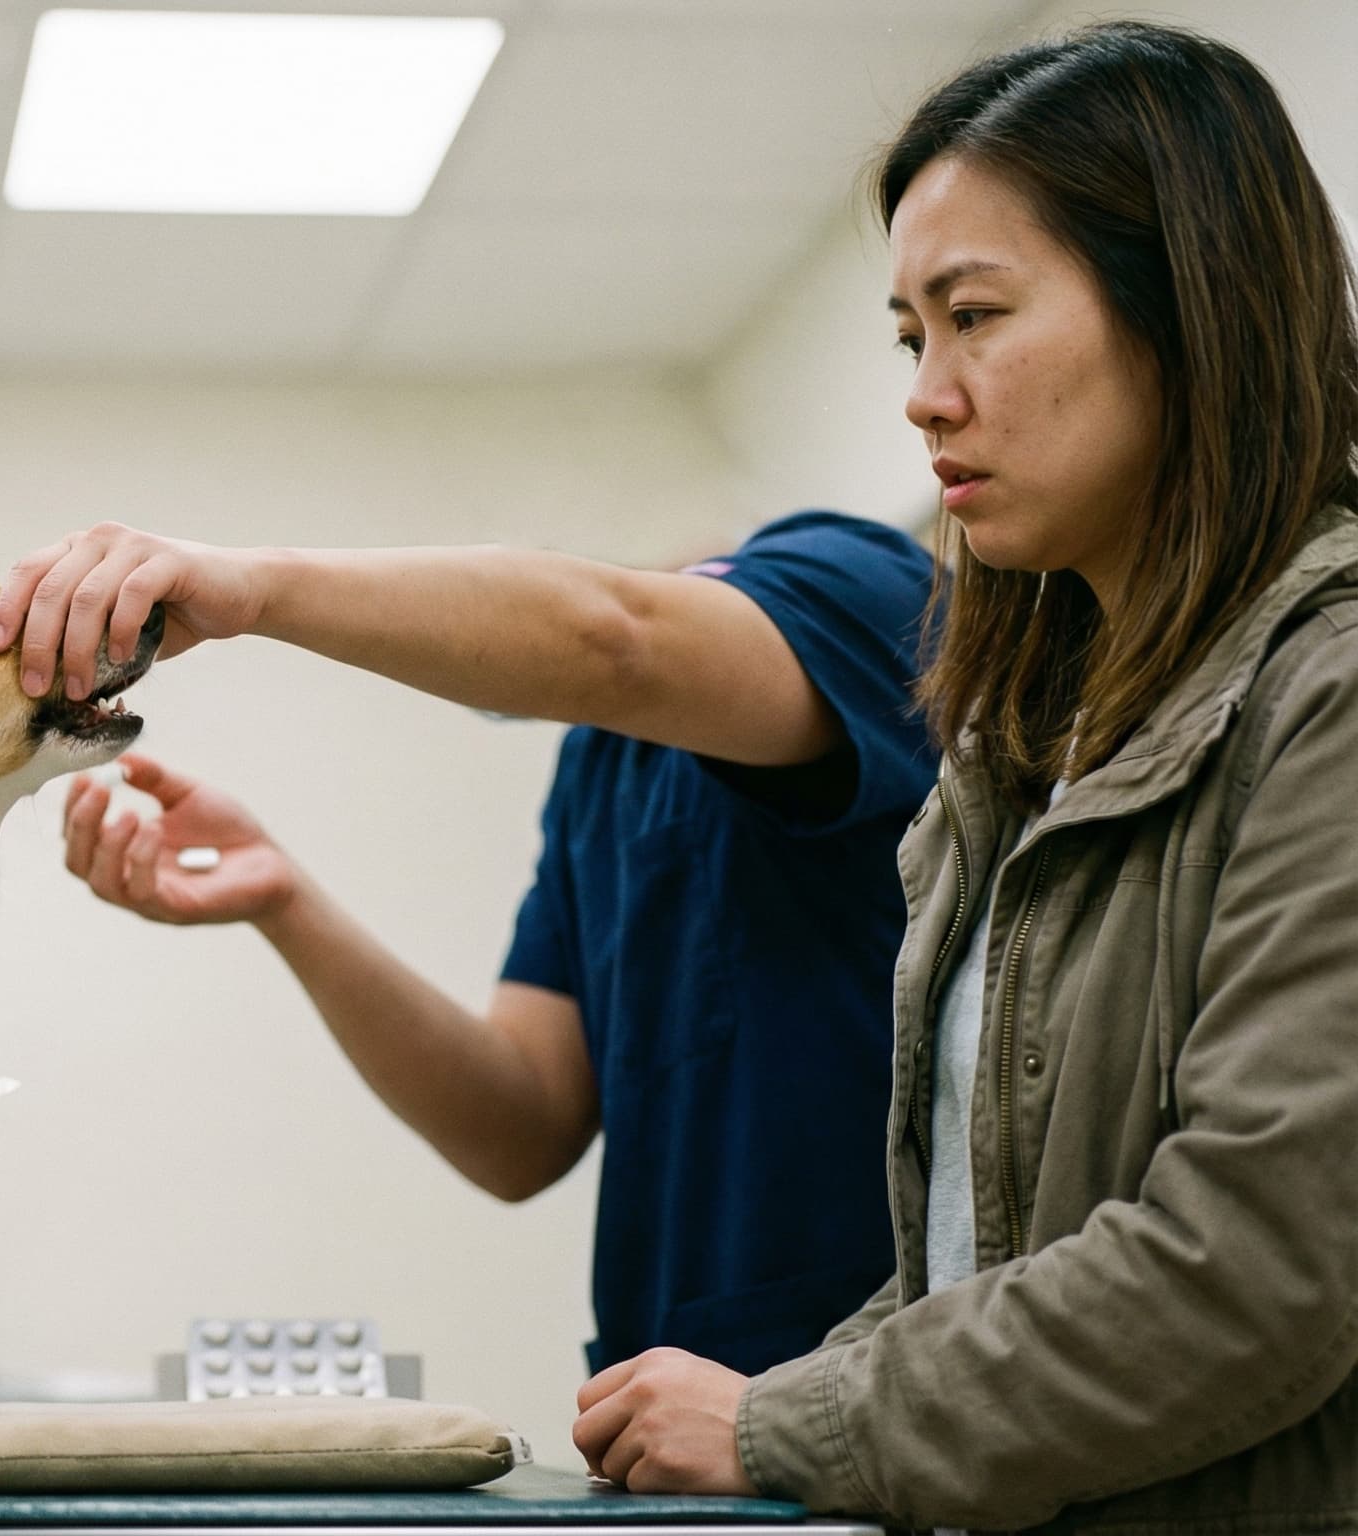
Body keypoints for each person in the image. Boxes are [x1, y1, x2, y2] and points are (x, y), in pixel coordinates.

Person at [571, 23, 1358, 1531]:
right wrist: (794, 1395)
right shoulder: (1020, 753)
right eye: (909, 338)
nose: (928, 395)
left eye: (976, 317)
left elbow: (1256, 1270)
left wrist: (789, 1417)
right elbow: (984, 1253)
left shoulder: (1327, 692)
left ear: (1187, 308)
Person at [0, 498, 935, 1379]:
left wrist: (251, 586)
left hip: (882, 1384)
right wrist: (284, 902)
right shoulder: (602, 765)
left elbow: (615, 640)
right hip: (671, 1403)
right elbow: (516, 1129)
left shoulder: (857, 586)